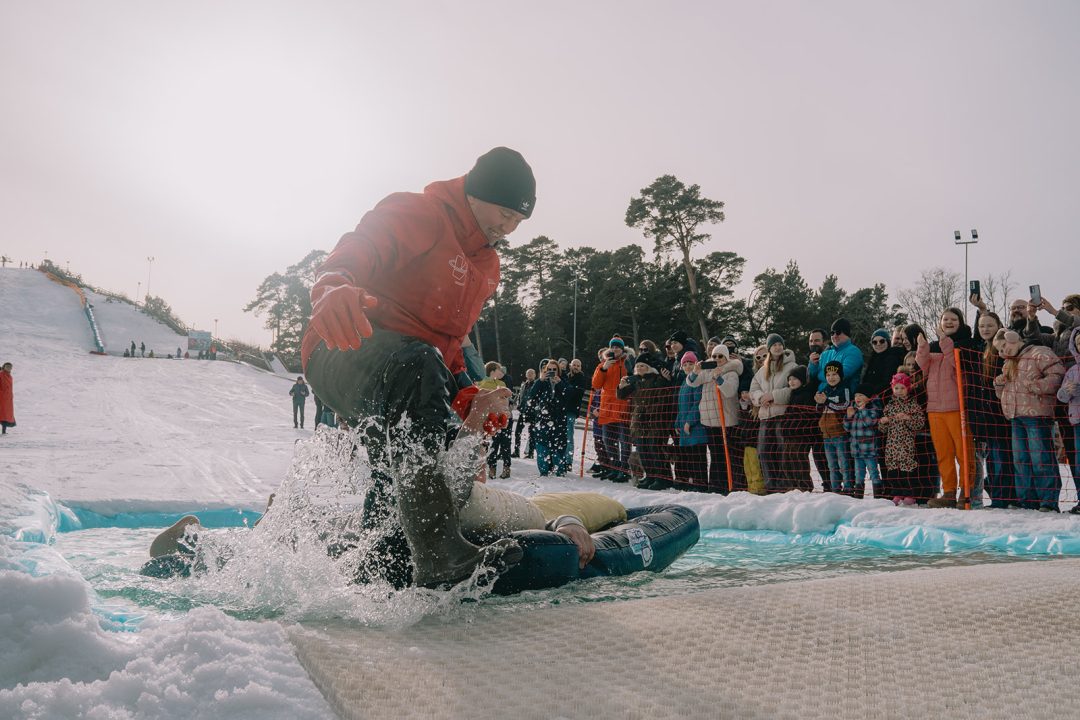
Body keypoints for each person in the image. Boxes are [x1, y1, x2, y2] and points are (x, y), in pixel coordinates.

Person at [301, 147, 536, 588]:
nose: (508, 228)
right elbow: (359, 246)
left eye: (518, 221)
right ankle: (439, 552)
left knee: (400, 472)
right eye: (505, 214)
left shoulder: (488, 266)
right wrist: (333, 284)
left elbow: (449, 340)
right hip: (344, 341)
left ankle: (379, 570)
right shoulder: (420, 212)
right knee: (417, 367)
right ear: (476, 192)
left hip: (411, 374)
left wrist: (467, 389)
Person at [995, 330, 1066, 511]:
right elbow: (1004, 394)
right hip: (1016, 416)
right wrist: (1000, 386)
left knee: (1040, 457)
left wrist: (1037, 386)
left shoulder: (1039, 352)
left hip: (1038, 416)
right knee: (1020, 460)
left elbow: (1057, 374)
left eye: (1004, 346)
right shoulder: (1008, 364)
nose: (1003, 351)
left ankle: (1048, 501)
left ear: (1013, 338)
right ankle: (1027, 500)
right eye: (1000, 350)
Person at [916, 309, 977, 508]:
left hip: (956, 407)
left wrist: (945, 342)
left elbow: (957, 365)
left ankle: (966, 491)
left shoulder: (966, 343)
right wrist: (922, 346)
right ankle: (948, 492)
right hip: (934, 408)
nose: (949, 322)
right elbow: (923, 366)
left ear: (960, 322)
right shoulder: (935, 346)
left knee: (963, 452)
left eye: (953, 319)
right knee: (943, 453)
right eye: (945, 319)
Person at [687, 343, 743, 492]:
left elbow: (730, 391)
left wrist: (719, 379)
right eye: (714, 356)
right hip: (709, 420)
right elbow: (692, 383)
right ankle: (715, 485)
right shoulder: (707, 371)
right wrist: (695, 371)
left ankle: (729, 485)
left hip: (726, 419)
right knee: (715, 454)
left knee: (726, 454)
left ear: (726, 358)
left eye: (720, 356)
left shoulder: (731, 372)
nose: (717, 359)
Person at [617, 351, 674, 490]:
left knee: (655, 448)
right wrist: (621, 386)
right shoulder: (635, 381)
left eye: (643, 366)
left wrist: (650, 411)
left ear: (649, 367)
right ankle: (650, 476)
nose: (640, 368)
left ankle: (662, 478)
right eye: (638, 366)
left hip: (655, 419)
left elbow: (663, 398)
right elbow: (621, 396)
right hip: (639, 420)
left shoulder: (657, 379)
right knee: (643, 450)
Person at [750, 334, 797, 492]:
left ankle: (785, 486)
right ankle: (771, 486)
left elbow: (793, 388)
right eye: (774, 345)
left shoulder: (792, 366)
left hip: (782, 415)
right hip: (765, 416)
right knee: (764, 452)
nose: (777, 347)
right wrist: (760, 398)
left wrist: (773, 395)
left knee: (782, 451)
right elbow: (753, 390)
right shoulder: (762, 370)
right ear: (769, 348)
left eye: (779, 344)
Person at [879, 373, 926, 505]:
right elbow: (882, 429)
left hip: (906, 443)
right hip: (892, 445)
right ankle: (897, 493)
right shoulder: (889, 406)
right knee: (893, 470)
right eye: (896, 388)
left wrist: (908, 418)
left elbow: (920, 423)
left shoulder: (913, 405)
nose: (899, 391)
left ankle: (909, 494)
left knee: (907, 469)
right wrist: (883, 422)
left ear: (908, 388)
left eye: (902, 388)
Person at [592, 337, 634, 482]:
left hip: (623, 406)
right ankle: (614, 468)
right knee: (608, 440)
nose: (615, 349)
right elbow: (596, 384)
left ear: (622, 349)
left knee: (624, 441)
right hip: (607, 408)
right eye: (613, 347)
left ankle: (624, 470)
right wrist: (604, 368)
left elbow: (633, 379)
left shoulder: (628, 362)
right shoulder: (603, 364)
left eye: (618, 347)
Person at [816, 361, 853, 493]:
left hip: (840, 433)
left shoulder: (845, 388)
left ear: (840, 375)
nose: (831, 377)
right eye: (828, 375)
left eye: (834, 374)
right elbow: (819, 410)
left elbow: (844, 405)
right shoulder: (824, 389)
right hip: (826, 434)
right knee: (831, 465)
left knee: (844, 463)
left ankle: (848, 488)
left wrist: (826, 401)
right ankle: (835, 489)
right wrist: (819, 403)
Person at [674, 352, 709, 490]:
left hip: (696, 427)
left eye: (690, 364)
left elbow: (697, 404)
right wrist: (678, 423)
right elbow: (681, 405)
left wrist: (689, 422)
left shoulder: (697, 381)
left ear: (696, 365)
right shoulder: (685, 381)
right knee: (689, 457)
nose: (687, 367)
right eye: (685, 364)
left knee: (697, 456)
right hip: (685, 427)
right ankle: (693, 482)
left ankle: (700, 483)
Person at [1057, 326, 1080, 512]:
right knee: (1079, 462)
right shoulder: (1072, 370)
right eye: (1079, 343)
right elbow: (1061, 397)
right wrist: (1067, 391)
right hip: (1078, 422)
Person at [845, 386, 882, 498]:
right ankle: (858, 496)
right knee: (858, 474)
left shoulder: (873, 409)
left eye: (861, 395)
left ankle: (878, 496)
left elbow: (870, 423)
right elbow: (847, 428)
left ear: (868, 398)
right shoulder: (853, 410)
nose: (857, 398)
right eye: (856, 395)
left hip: (869, 450)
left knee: (873, 472)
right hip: (856, 450)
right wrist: (848, 416)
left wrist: (863, 410)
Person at [480, 362, 512, 479]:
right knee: (493, 443)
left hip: (504, 417)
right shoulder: (482, 383)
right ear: (492, 371)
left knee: (506, 443)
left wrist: (507, 411)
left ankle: (506, 467)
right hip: (491, 418)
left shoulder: (502, 383)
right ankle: (492, 467)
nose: (502, 372)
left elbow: (507, 399)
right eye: (499, 370)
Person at [562, 358, 588, 468]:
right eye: (574, 365)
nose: (576, 367)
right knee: (560, 435)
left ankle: (568, 461)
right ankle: (561, 458)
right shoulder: (566, 377)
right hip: (562, 409)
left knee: (569, 435)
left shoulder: (581, 378)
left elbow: (576, 392)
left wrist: (567, 389)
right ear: (570, 366)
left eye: (578, 365)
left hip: (571, 410)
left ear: (580, 367)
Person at [512, 368, 537, 459]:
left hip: (532, 412)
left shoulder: (536, 385)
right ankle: (516, 451)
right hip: (523, 411)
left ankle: (530, 452)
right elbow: (520, 396)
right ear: (526, 375)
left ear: (535, 375)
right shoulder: (523, 385)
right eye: (528, 373)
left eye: (531, 373)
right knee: (517, 432)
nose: (530, 375)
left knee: (532, 433)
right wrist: (519, 405)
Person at [0, 362, 15, 435]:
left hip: (8, 398)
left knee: (5, 414)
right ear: (4, 367)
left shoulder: (9, 376)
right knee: (2, 413)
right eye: (7, 366)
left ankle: (4, 431)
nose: (9, 368)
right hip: (1, 397)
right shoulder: (1, 374)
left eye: (10, 367)